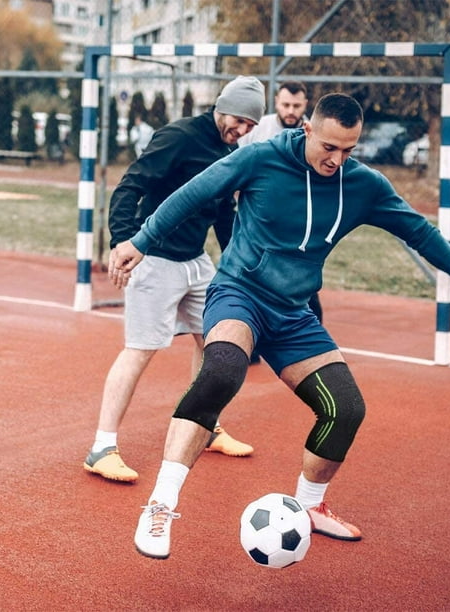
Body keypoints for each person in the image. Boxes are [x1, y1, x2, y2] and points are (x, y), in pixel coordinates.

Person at [110, 93, 450, 559]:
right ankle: (160, 504)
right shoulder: (261, 158)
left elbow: (419, 231)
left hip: (294, 313)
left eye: (349, 150)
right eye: (329, 147)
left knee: (345, 409)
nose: (337, 159)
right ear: (308, 130)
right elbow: (192, 193)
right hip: (240, 294)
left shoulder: (364, 186)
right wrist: (141, 240)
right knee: (221, 372)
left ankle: (312, 505)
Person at [83, 76, 266, 483]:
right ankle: (102, 447)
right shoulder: (180, 137)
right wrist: (122, 240)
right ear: (223, 106)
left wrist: (235, 265)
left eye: (251, 126)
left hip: (196, 262)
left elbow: (222, 214)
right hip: (156, 259)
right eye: (239, 120)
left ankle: (206, 426)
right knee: (140, 350)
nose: (243, 130)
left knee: (216, 340)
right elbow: (131, 185)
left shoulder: (228, 151)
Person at [238, 81, 323, 360]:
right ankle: (248, 346)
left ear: (305, 105)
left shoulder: (315, 132)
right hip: (257, 220)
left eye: (296, 106)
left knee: (302, 285)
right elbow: (236, 164)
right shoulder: (258, 129)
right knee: (251, 280)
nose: (290, 110)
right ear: (276, 101)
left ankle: (309, 347)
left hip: (297, 223)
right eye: (285, 104)